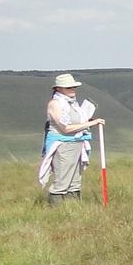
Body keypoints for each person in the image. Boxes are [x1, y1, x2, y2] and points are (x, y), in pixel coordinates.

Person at [39, 73, 102, 206]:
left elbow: (76, 121)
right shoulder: (55, 104)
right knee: (62, 180)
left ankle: (73, 209)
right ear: (58, 89)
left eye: (73, 87)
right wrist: (92, 123)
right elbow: (65, 128)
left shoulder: (73, 103)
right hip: (63, 145)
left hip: (77, 144)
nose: (72, 89)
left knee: (74, 181)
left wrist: (87, 120)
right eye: (68, 87)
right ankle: (56, 212)